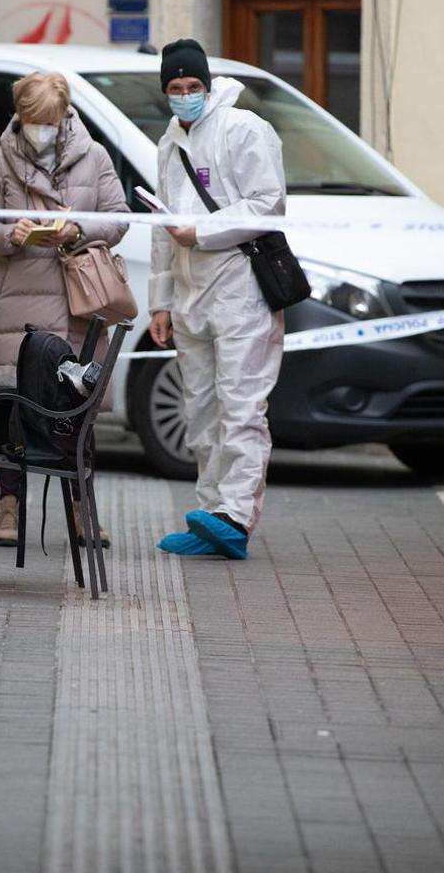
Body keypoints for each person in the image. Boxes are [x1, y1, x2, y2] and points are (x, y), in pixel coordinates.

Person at [0, 71, 130, 548]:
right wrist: (9, 234)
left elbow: (119, 216)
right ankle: (9, 510)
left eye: (49, 119)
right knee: (12, 408)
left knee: (76, 410)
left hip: (78, 301)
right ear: (19, 115)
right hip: (18, 300)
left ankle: (83, 511)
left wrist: (77, 229)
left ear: (64, 116)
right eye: (32, 119)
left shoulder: (94, 156)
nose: (41, 128)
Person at [147, 39, 286, 562]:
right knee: (200, 408)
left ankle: (234, 516)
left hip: (239, 289)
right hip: (190, 295)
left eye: (193, 87)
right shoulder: (168, 143)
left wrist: (202, 232)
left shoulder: (242, 129)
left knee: (242, 406)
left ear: (207, 85)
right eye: (175, 88)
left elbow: (267, 203)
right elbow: (162, 230)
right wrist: (160, 302)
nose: (185, 96)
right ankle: (208, 512)